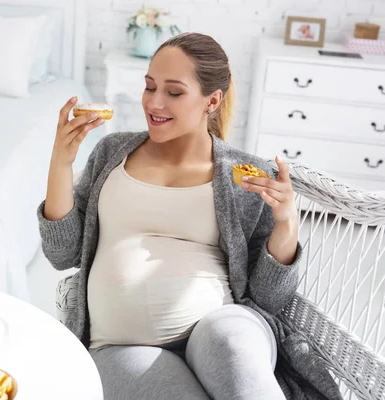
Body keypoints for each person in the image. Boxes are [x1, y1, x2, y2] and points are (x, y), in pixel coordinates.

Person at [37, 32, 341, 400]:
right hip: (119, 347)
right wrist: (61, 163)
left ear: (212, 100)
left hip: (220, 324)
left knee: (233, 350)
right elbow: (62, 254)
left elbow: (267, 297)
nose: (154, 102)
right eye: (149, 87)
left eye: (174, 92)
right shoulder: (110, 153)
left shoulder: (245, 175)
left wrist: (287, 224)